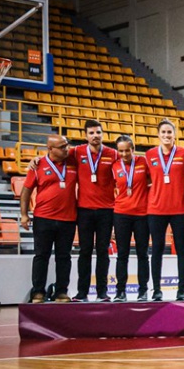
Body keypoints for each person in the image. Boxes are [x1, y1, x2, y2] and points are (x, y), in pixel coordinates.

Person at [20, 135, 77, 303]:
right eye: (62, 147)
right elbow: (26, 191)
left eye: (67, 145)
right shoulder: (38, 166)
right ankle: (38, 292)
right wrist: (24, 214)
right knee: (41, 256)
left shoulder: (73, 162)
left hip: (68, 219)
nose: (66, 149)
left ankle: (61, 292)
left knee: (64, 257)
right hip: (43, 218)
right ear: (50, 149)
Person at [72, 120, 118, 302]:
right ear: (85, 136)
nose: (95, 136)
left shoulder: (112, 154)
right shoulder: (76, 152)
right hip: (84, 210)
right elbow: (55, 156)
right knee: (84, 252)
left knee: (102, 252)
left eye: (98, 132)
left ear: (102, 134)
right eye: (91, 133)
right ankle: (82, 293)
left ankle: (102, 292)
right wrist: (36, 160)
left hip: (106, 211)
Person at [146, 119, 184, 301]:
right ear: (158, 135)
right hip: (156, 208)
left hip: (180, 208)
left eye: (169, 132)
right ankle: (156, 289)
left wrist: (178, 185)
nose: (166, 135)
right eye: (163, 132)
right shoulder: (149, 155)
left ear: (175, 134)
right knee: (157, 249)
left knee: (181, 248)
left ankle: (182, 289)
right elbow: (147, 178)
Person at [111, 135, 150, 302]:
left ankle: (143, 291)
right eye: (121, 151)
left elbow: (154, 178)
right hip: (121, 214)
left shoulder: (144, 162)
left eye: (127, 150)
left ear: (133, 149)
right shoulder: (113, 166)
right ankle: (120, 291)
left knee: (143, 254)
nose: (124, 154)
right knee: (122, 255)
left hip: (142, 214)